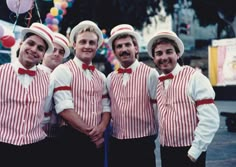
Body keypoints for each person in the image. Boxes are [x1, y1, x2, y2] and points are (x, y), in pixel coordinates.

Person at [147, 30, 220, 167]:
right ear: (154, 58)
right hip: (166, 151)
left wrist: (194, 152)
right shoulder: (158, 82)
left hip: (190, 152)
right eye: (159, 53)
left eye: (169, 52)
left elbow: (210, 119)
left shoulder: (195, 78)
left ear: (177, 53)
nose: (164, 57)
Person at [51, 20, 111, 167]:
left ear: (97, 46)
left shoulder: (101, 76)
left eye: (92, 43)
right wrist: (93, 135)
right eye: (83, 41)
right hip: (70, 139)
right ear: (74, 44)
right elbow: (64, 109)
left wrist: (101, 128)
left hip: (97, 141)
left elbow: (106, 107)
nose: (87, 46)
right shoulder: (63, 70)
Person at [0, 22, 54, 166]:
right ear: (21, 44)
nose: (34, 50)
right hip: (4, 146)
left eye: (40, 48)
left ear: (43, 55)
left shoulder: (48, 78)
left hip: (35, 147)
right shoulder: (1, 72)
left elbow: (46, 110)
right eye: (30, 43)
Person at [107, 24, 159, 167]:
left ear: (135, 48)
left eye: (127, 45)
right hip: (117, 143)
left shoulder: (151, 74)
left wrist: (154, 135)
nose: (123, 49)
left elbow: (157, 109)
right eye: (119, 46)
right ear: (115, 52)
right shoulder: (110, 78)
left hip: (143, 143)